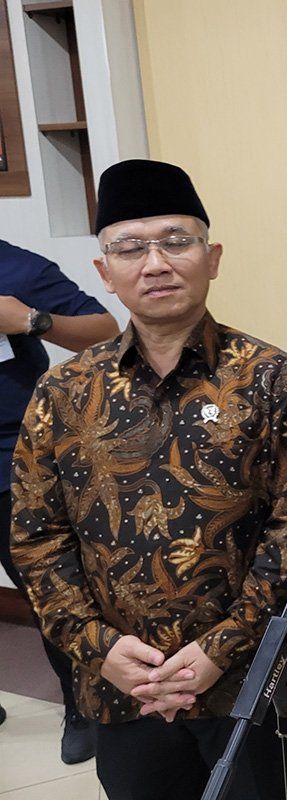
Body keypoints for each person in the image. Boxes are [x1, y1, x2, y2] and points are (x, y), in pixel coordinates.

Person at [10, 159, 287, 800]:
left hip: (241, 676)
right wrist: (98, 647)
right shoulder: (63, 391)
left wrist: (221, 649)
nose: (156, 263)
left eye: (177, 242)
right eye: (131, 248)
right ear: (105, 273)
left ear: (212, 258)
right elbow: (36, 537)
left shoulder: (272, 378)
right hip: (122, 684)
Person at [0, 239, 118, 761]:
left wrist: (30, 320)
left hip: (11, 457)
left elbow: (104, 329)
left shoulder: (17, 266)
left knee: (44, 587)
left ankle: (81, 703)